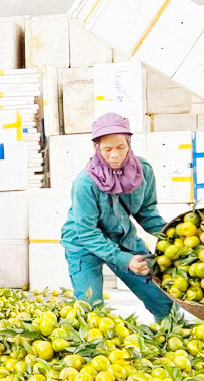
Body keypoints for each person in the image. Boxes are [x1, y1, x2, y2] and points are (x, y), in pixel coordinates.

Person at [61, 113, 173, 322]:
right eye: (107, 149)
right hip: (83, 242)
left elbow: (146, 211)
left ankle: (170, 339)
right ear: (97, 148)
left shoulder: (143, 171)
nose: (114, 155)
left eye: (121, 147)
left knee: (162, 299)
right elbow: (87, 232)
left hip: (122, 237)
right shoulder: (85, 183)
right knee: (91, 311)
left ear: (129, 144)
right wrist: (126, 260)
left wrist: (172, 235)